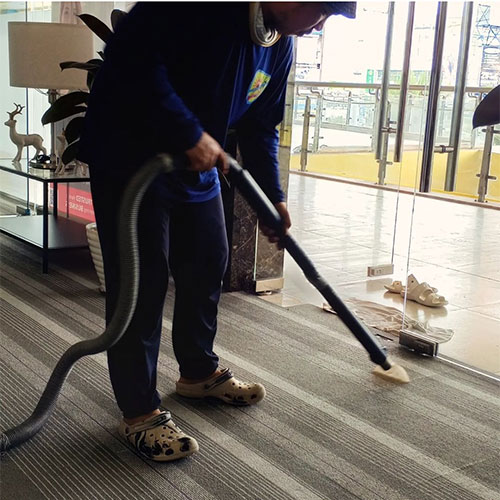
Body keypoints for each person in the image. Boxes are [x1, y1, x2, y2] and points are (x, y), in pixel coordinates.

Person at [80, 2, 356, 462]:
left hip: (195, 166)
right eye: (321, 11)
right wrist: (189, 132)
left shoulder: (278, 45)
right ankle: (139, 412)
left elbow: (259, 124)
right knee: (141, 285)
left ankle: (197, 372)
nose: (320, 25)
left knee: (208, 261)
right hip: (131, 159)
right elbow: (132, 58)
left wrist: (272, 197)